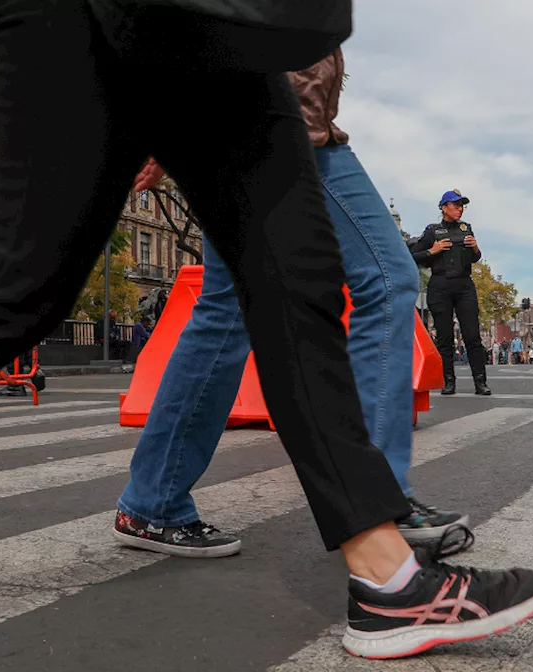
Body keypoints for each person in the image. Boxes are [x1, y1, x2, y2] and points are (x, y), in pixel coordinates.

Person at [0, 3, 533, 658]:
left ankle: (388, 581)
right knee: (24, 288)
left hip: (221, 33)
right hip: (78, 23)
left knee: (298, 283)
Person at [114, 49, 466, 557]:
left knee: (225, 310)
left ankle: (152, 501)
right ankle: (378, 497)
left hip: (277, 124)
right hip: (271, 121)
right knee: (386, 277)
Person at [410, 190, 490, 396]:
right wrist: (432, 251)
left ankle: (480, 382)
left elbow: (475, 258)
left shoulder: (466, 228)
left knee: (472, 336)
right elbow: (412, 255)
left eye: (462, 205)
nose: (460, 208)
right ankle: (448, 381)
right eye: (456, 205)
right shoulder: (433, 231)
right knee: (444, 337)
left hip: (464, 285)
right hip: (440, 284)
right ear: (444, 207)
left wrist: (475, 248)